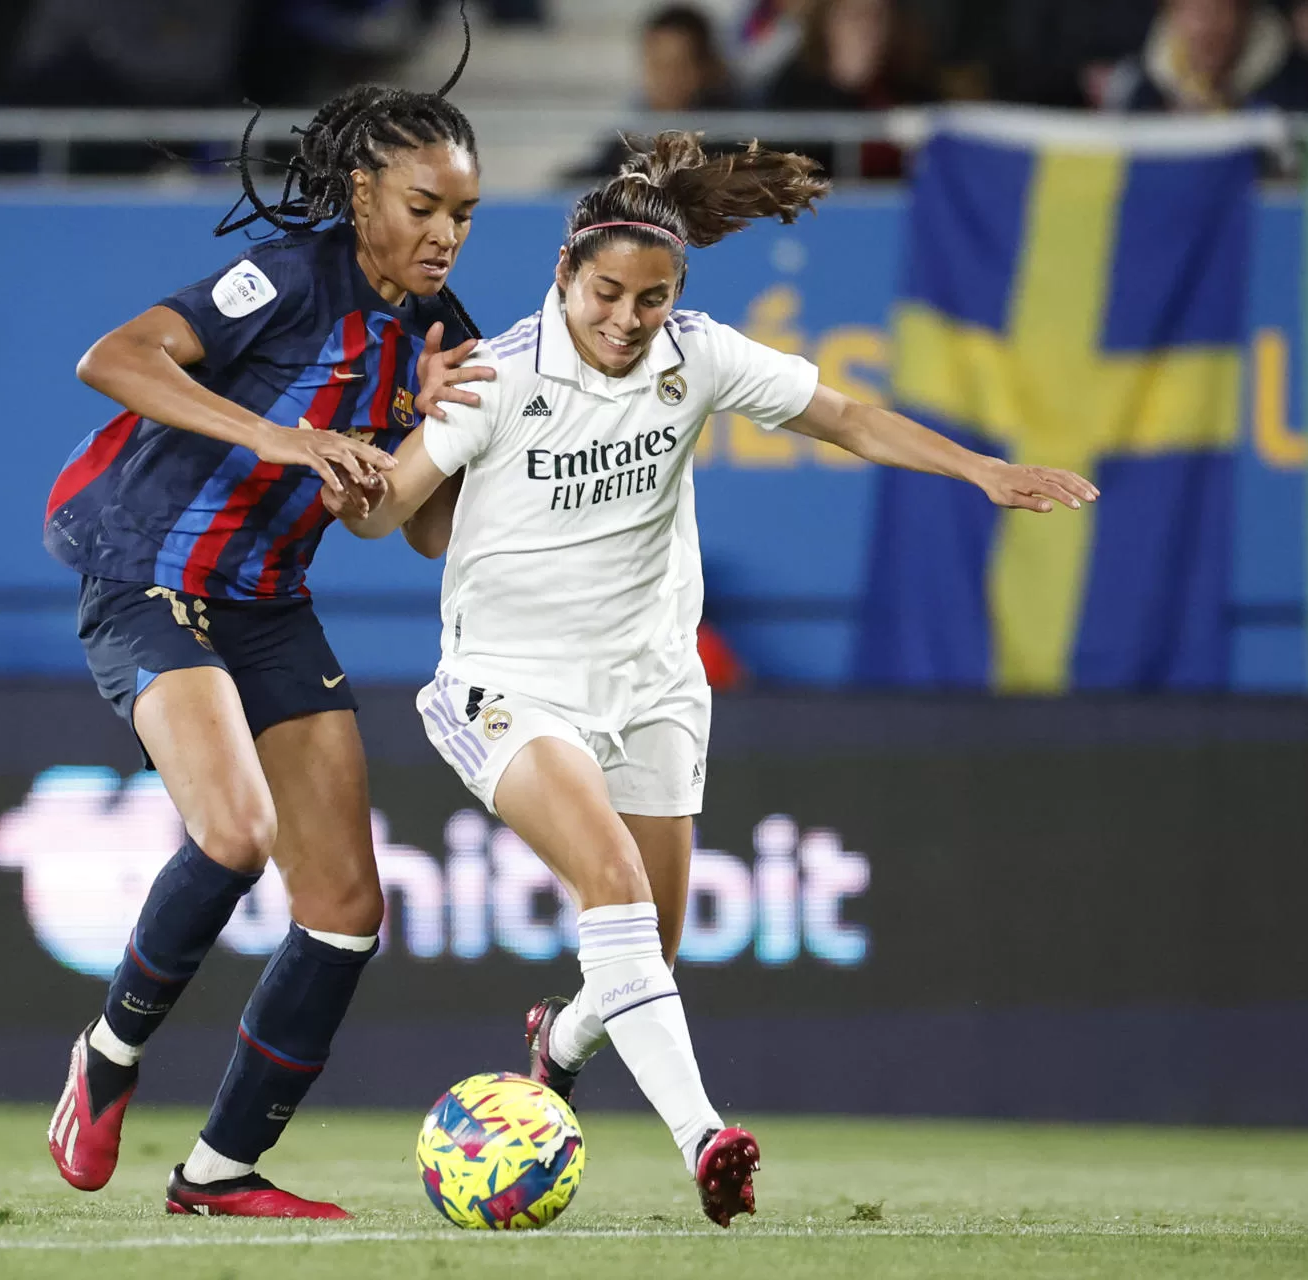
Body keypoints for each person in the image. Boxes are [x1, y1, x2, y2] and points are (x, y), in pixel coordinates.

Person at [330, 132, 1097, 1226]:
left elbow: (848, 416)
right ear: (564, 275)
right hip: (508, 684)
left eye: (651, 298)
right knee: (616, 889)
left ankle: (564, 1038)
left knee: (650, 947)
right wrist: (383, 429)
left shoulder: (698, 354)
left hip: (653, 684)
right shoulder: (493, 378)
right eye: (606, 293)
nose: (626, 320)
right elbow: (376, 513)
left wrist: (982, 469)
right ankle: (706, 1137)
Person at [37, 36, 493, 1218]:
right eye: (423, 203)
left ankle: (219, 1170)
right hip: (150, 576)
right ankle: (107, 1057)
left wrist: (407, 467)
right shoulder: (288, 278)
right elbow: (113, 357)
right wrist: (280, 438)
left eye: (465, 211)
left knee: (346, 909)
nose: (446, 232)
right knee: (234, 831)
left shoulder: (444, 337)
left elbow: (420, 532)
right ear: (361, 195)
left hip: (270, 601)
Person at [761, 0, 933, 178]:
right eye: (854, 16)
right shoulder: (794, 82)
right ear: (826, 23)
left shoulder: (907, 81)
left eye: (877, 17)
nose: (866, 29)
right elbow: (790, 160)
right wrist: (846, 88)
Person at [569, 5, 741, 181]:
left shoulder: (734, 141)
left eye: (677, 66)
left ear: (706, 68)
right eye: (656, 65)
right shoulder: (630, 137)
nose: (665, 79)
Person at [1103, 0, 1308, 112]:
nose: (1205, 28)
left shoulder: (1297, 88)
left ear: (1244, 14)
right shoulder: (1142, 93)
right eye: (1194, 11)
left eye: (1219, 10)